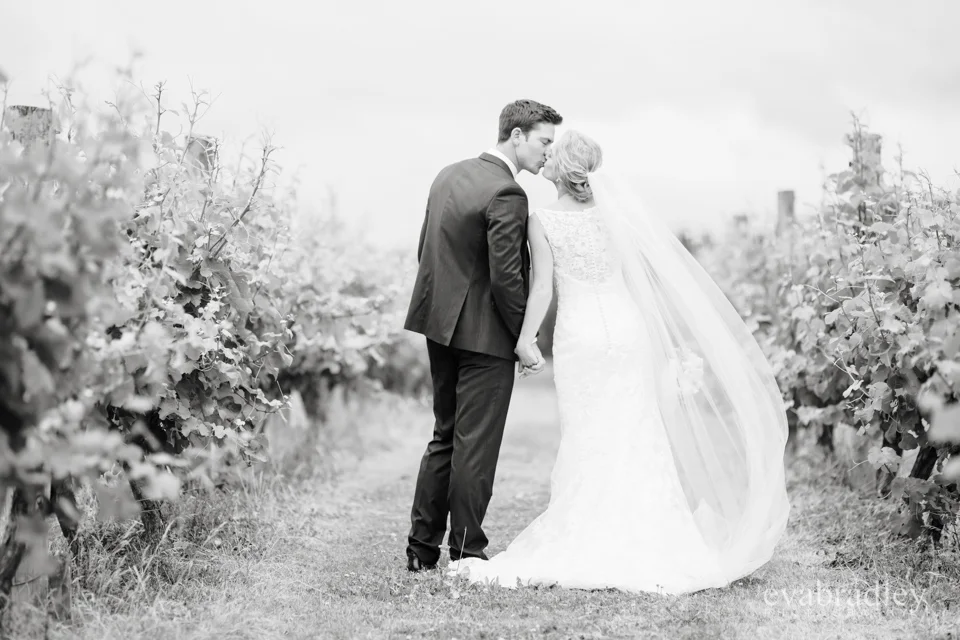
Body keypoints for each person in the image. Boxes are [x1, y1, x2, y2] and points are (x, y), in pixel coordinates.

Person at [448, 130, 791, 595]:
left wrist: (526, 340)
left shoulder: (541, 219)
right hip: (627, 332)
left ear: (562, 169)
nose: (545, 157)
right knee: (636, 426)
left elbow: (544, 288)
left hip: (581, 337)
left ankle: (591, 526)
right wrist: (664, 347)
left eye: (552, 153)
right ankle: (651, 531)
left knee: (588, 431)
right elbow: (640, 288)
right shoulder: (615, 217)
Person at [402, 99, 562, 572]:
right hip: (486, 336)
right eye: (543, 142)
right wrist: (524, 338)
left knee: (445, 435)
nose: (547, 154)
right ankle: (468, 550)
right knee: (477, 444)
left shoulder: (446, 175)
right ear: (516, 135)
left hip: (439, 325)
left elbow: (423, 251)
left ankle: (421, 548)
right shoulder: (509, 194)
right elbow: (507, 278)